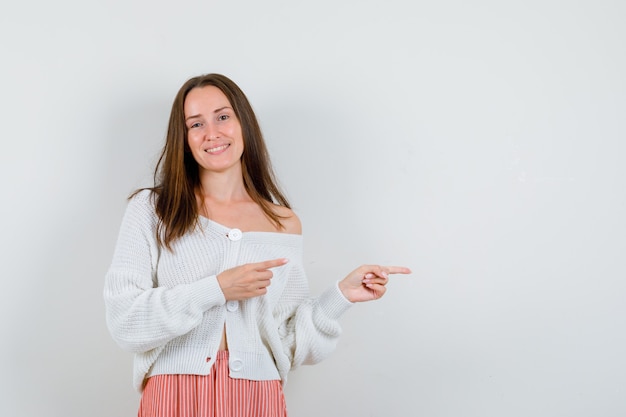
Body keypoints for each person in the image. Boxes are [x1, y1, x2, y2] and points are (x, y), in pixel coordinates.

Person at [104, 73, 411, 417]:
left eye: (223, 117)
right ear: (184, 138)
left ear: (243, 123)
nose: (212, 133)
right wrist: (217, 289)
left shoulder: (283, 222)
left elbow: (289, 341)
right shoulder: (154, 209)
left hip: (256, 397)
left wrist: (340, 295)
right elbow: (125, 320)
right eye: (196, 124)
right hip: (173, 393)